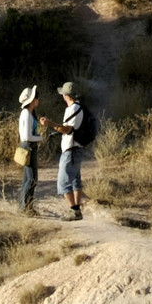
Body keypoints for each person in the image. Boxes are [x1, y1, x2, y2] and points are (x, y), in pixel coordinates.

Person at [55, 79, 91, 221]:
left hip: (71, 149)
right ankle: (77, 210)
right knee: (76, 179)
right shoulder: (79, 107)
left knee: (63, 182)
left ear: (65, 95)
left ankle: (74, 211)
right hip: (77, 149)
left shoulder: (72, 109)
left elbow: (67, 129)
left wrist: (50, 124)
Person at [16, 85, 45, 215]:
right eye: (36, 98)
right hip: (28, 146)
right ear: (32, 100)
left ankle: (25, 207)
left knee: (28, 178)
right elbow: (27, 136)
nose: (38, 100)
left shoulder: (28, 113)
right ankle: (25, 208)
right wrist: (40, 138)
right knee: (31, 179)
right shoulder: (26, 113)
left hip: (29, 146)